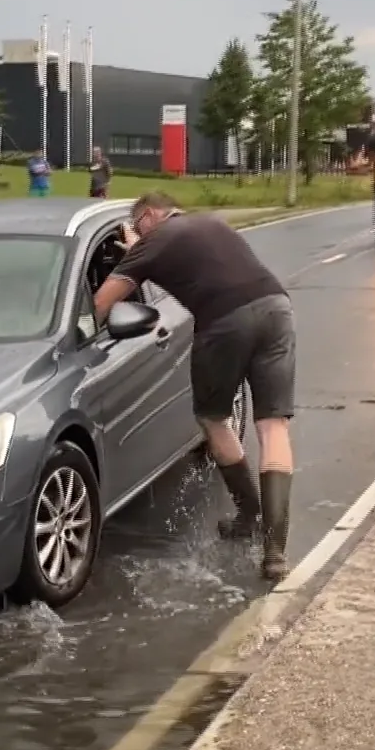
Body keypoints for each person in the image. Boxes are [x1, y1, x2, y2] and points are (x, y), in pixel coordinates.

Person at [92, 192, 298, 579]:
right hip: (277, 309)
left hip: (225, 322)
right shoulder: (212, 223)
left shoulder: (153, 240)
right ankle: (274, 553)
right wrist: (143, 247)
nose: (134, 234)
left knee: (212, 418)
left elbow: (103, 303)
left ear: (150, 215)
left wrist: (132, 255)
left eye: (137, 227)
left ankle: (248, 513)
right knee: (273, 428)